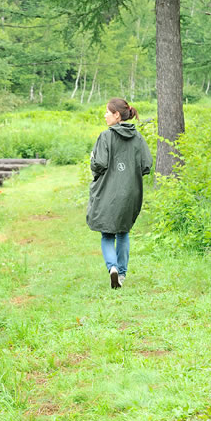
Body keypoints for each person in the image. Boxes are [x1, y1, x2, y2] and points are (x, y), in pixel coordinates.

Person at [86, 98, 153, 289]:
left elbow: (99, 164)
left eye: (107, 112)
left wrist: (93, 161)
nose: (105, 115)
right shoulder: (138, 138)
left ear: (117, 115)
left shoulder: (106, 137)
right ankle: (121, 275)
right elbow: (146, 165)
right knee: (123, 232)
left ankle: (113, 268)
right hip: (131, 192)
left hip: (108, 192)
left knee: (107, 234)